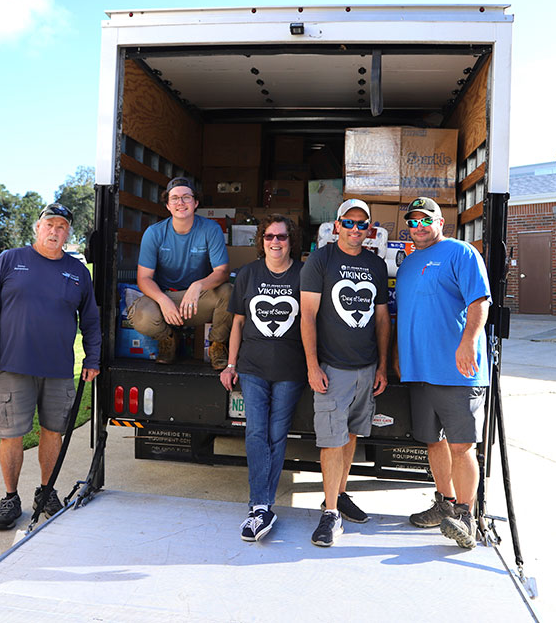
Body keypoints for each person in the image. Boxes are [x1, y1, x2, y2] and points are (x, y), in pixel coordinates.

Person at [0, 202, 101, 531]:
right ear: (37, 227)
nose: (55, 231)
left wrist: (93, 358)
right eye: (50, 225)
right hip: (14, 366)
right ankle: (10, 497)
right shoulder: (10, 260)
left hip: (59, 368)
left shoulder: (77, 272)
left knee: (53, 432)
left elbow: (90, 320)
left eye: (62, 227)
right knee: (11, 435)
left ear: (68, 233)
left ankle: (46, 492)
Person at [393, 196, 491, 550]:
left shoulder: (461, 253)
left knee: (462, 445)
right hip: (419, 371)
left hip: (457, 370)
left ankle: (465, 516)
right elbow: (401, 313)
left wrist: (468, 342)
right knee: (434, 441)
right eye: (413, 221)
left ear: (440, 222)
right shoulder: (407, 265)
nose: (418, 227)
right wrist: (397, 354)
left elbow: (479, 301)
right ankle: (444, 504)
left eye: (425, 220)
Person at [300, 198, 390, 547]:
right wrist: (311, 365)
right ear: (336, 226)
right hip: (332, 369)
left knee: (351, 435)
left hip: (366, 369)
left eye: (361, 224)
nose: (355, 230)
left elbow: (382, 317)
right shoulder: (321, 260)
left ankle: (338, 494)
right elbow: (307, 316)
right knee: (331, 441)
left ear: (370, 229)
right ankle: (330, 514)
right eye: (348, 223)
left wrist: (382, 365)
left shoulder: (375, 265)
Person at [219, 214, 305, 542]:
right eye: (269, 236)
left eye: (282, 237)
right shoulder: (249, 274)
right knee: (256, 433)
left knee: (276, 434)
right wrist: (230, 365)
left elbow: (311, 322)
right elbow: (238, 322)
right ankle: (260, 505)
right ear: (262, 240)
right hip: (252, 368)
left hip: (290, 370)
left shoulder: (303, 273)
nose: (275, 242)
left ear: (290, 240)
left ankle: (262, 507)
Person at [127, 177, 232, 369]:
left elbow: (223, 272)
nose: (180, 203)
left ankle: (217, 344)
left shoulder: (211, 229)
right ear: (167, 205)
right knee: (140, 316)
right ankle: (167, 338)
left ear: (196, 202)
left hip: (198, 300)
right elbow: (144, 278)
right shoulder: (154, 233)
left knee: (229, 292)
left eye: (186, 197)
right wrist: (162, 300)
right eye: (174, 198)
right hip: (167, 298)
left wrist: (197, 285)